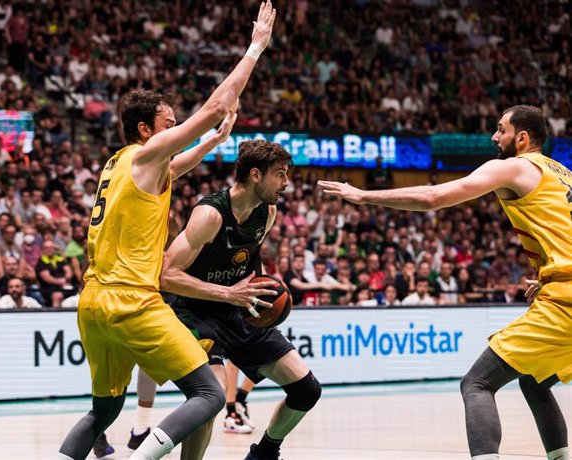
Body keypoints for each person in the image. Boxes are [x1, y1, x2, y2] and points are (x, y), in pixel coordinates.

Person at [57, 4, 276, 459]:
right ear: (146, 130)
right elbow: (216, 105)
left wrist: (214, 142)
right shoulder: (147, 152)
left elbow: (177, 164)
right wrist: (255, 48)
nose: (175, 131)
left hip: (92, 302)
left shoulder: (119, 162)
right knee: (211, 395)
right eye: (168, 125)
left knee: (103, 411)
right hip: (132, 300)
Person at [319, 105, 571, 460]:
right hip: (560, 287)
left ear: (522, 137)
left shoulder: (513, 166)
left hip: (565, 301)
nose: (494, 137)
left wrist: (363, 196)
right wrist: (549, 273)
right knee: (534, 379)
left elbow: (433, 198)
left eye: (500, 130)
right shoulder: (563, 173)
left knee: (477, 383)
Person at [161, 140, 321, 460]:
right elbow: (167, 274)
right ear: (255, 175)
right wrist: (227, 293)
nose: (286, 184)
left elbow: (244, 265)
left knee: (306, 390)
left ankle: (263, 454)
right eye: (280, 174)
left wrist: (256, 293)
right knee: (211, 399)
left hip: (240, 311)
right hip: (196, 313)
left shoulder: (268, 212)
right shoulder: (210, 214)